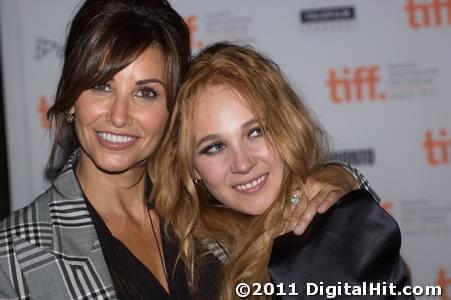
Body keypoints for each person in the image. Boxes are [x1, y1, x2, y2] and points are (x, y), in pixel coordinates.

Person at [0, 1, 367, 299]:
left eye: (146, 92)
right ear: (69, 100)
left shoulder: (210, 213)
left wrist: (340, 178)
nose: (119, 115)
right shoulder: (14, 254)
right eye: (101, 86)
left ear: (170, 111)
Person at [152, 42, 413, 299]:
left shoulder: (328, 226)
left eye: (256, 132)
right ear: (191, 166)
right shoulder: (184, 251)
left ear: (285, 127)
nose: (243, 164)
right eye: (214, 147)